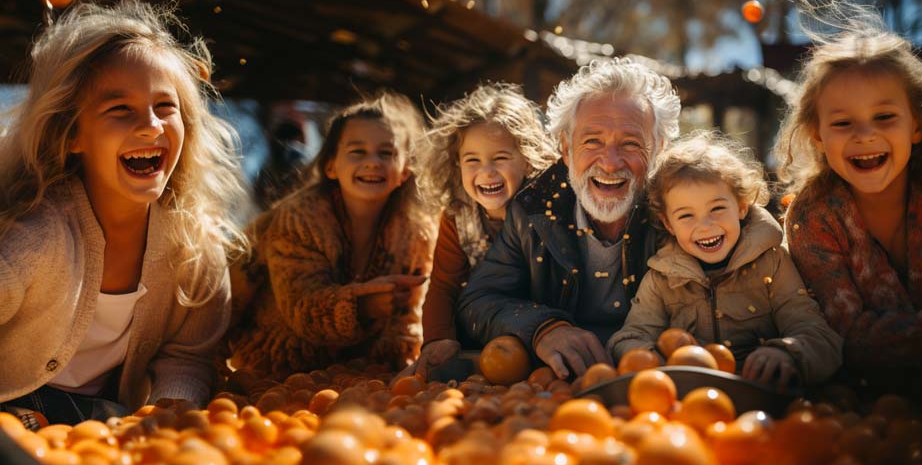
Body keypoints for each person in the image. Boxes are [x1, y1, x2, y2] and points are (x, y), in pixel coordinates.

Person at [0, 0, 248, 424]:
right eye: (119, 109)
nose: (151, 125)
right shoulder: (37, 238)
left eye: (166, 107)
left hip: (101, 423)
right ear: (73, 135)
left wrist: (170, 417)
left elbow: (187, 356)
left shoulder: (195, 251)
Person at [457, 58, 682, 380]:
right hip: (554, 382)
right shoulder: (532, 211)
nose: (609, 162)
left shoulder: (682, 211)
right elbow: (477, 302)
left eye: (631, 143)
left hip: (655, 381)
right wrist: (543, 327)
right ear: (566, 149)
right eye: (592, 141)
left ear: (658, 149)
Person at [776, 0, 922, 395]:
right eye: (843, 122)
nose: (864, 134)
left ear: (917, 126)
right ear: (818, 136)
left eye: (884, 117)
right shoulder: (812, 218)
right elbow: (846, 335)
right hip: (861, 402)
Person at [225, 92, 436, 381]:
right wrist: (362, 307)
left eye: (386, 153)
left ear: (404, 172)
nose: (373, 162)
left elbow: (407, 316)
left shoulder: (415, 232)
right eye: (357, 152)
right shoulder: (301, 219)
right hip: (277, 362)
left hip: (354, 371)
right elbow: (302, 305)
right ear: (331, 166)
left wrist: (400, 362)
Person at [608, 131, 842, 390]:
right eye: (686, 216)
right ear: (668, 224)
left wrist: (787, 353)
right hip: (688, 398)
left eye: (717, 209)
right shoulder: (662, 278)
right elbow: (630, 337)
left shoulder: (772, 263)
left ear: (741, 207)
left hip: (760, 392)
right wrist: (656, 360)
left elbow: (816, 334)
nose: (705, 226)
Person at [399, 83, 558, 379]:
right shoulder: (458, 216)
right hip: (482, 339)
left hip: (544, 333)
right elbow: (444, 286)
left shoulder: (546, 212)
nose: (487, 171)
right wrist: (438, 339)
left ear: (527, 159)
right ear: (456, 163)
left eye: (500, 158)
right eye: (473, 160)